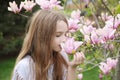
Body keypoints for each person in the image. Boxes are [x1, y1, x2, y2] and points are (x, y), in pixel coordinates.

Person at [12, 9, 85, 80]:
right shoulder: (25, 66)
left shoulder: (62, 57)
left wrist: (72, 68)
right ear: (42, 36)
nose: (64, 39)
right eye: (58, 35)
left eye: (66, 34)